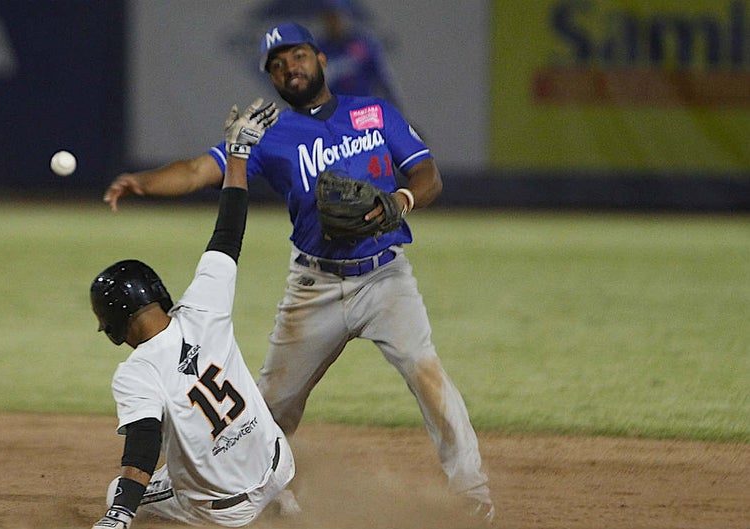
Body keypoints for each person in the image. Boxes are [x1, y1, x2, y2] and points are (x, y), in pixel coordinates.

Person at [103, 22, 495, 523]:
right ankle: (260, 491)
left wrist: (402, 199)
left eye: (298, 56)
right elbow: (200, 170)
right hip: (315, 286)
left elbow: (427, 174)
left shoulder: (373, 113)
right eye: (277, 64)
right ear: (271, 78)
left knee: (427, 373)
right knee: (268, 407)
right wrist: (142, 183)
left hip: (385, 278)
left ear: (321, 59)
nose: (290, 67)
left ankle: (472, 491)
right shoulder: (271, 137)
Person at [89, 99, 295, 529]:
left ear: (115, 326)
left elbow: (144, 443)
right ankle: (282, 500)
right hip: (280, 465)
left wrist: (119, 514)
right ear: (157, 293)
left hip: (229, 511)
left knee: (117, 491)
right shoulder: (204, 304)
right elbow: (229, 231)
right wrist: (238, 155)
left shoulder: (136, 372)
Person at [315, 0, 401, 106]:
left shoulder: (363, 43)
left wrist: (394, 106)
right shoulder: (319, 48)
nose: (332, 22)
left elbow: (382, 78)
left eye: (336, 16)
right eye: (327, 17)